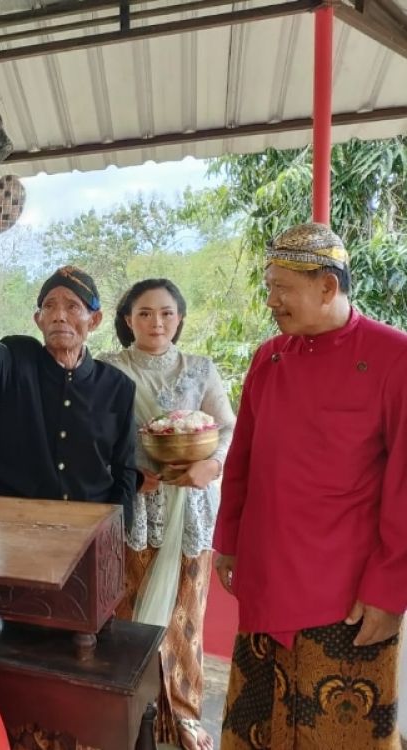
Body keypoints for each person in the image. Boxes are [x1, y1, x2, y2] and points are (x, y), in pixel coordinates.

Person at [213, 223, 407, 750]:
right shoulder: (269, 357)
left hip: (344, 595)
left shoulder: (395, 357)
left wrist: (390, 591)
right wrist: (228, 540)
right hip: (266, 575)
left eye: (283, 288)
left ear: (327, 287)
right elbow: (243, 460)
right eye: (269, 285)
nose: (272, 300)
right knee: (258, 727)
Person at [101, 279, 235, 750]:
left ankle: (184, 713)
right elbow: (94, 439)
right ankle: (129, 713)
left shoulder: (200, 369)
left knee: (185, 618)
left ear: (179, 318)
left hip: (189, 509)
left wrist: (210, 464)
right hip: (133, 507)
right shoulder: (108, 369)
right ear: (127, 319)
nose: (156, 322)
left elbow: (228, 429)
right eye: (144, 313)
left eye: (165, 313)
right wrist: (133, 473)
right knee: (128, 613)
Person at [0, 239, 138, 523]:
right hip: (12, 523)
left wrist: (116, 533)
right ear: (38, 319)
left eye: (73, 307)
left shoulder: (117, 387)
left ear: (94, 320)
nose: (60, 316)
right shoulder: (18, 359)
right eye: (50, 306)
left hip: (86, 528)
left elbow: (125, 470)